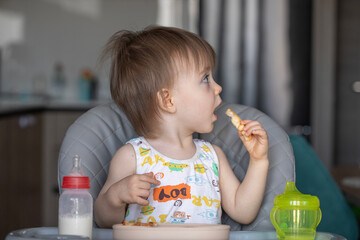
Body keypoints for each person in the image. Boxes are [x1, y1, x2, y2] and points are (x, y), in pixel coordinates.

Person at [94, 26, 269, 228]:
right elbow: (104, 221)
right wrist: (116, 196)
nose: (218, 87)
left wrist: (259, 161)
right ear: (168, 100)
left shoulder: (213, 157)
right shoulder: (132, 157)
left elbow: (243, 211)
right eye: (205, 78)